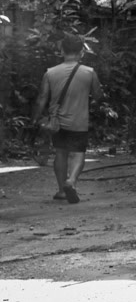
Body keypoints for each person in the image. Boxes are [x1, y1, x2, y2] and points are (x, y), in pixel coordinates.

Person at [34, 35, 100, 205]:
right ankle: (71, 181)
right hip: (79, 121)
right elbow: (98, 96)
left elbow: (41, 98)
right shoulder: (89, 73)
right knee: (78, 154)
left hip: (57, 123)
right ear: (82, 52)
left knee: (60, 153)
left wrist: (35, 118)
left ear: (62, 51)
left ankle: (62, 190)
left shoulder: (50, 73)